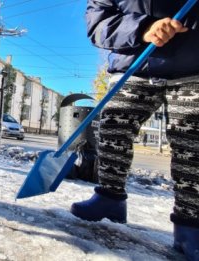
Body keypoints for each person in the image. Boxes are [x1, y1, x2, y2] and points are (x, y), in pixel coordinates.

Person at [71, 1, 199, 260]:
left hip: (193, 66)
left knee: (192, 145)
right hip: (136, 65)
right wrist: (143, 28)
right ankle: (110, 198)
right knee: (113, 125)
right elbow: (98, 22)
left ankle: (190, 226)